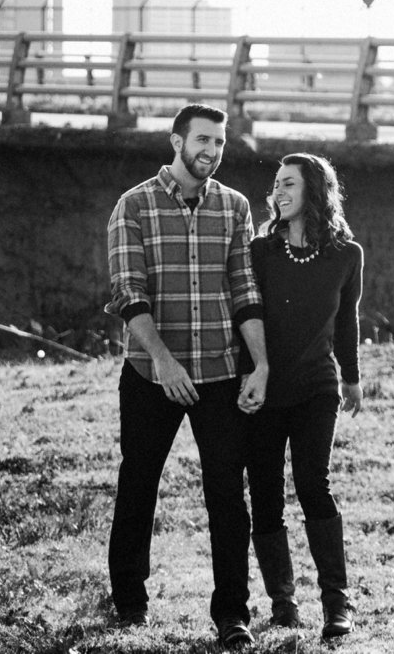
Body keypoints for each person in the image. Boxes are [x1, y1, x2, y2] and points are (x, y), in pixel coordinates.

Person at [104, 104, 270, 651]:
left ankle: (232, 614)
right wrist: (164, 361)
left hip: (220, 371)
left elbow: (245, 290)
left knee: (227, 493)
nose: (212, 152)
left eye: (220, 143)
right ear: (177, 142)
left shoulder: (235, 207)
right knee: (139, 483)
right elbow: (130, 292)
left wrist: (260, 363)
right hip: (153, 374)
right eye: (203, 140)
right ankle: (130, 600)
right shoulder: (134, 206)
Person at [241, 152, 364, 640]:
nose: (278, 192)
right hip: (266, 388)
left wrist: (352, 378)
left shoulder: (346, 254)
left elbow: (347, 321)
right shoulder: (259, 251)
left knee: (314, 484)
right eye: (275, 184)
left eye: (288, 183)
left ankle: (338, 604)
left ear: (314, 189)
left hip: (316, 386)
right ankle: (283, 603)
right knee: (266, 493)